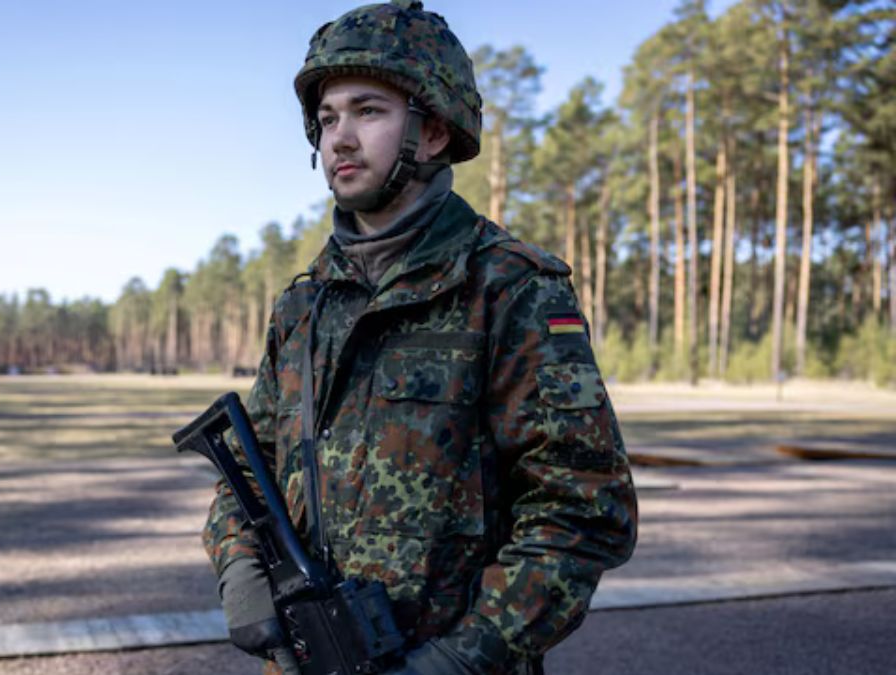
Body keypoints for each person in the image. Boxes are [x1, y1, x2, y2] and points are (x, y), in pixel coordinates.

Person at [202, 2, 638, 673]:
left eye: (368, 111)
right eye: (327, 118)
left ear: (433, 130)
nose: (339, 138)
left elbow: (582, 510)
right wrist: (237, 562)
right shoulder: (304, 305)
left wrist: (461, 658)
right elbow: (250, 470)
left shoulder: (508, 287)